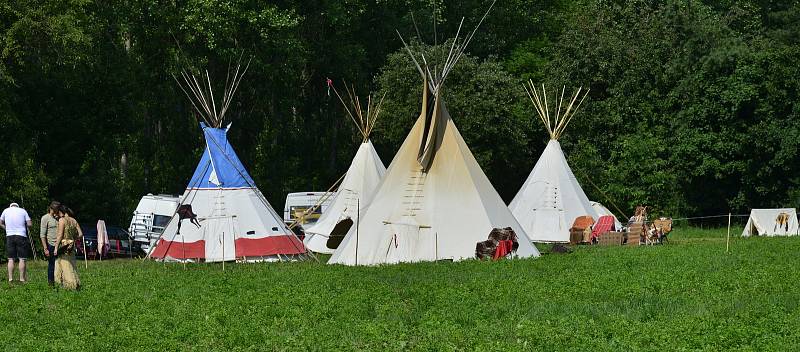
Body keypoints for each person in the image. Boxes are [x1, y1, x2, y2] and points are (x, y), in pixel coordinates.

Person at [0, 202, 33, 283]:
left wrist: (6, 229)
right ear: (17, 206)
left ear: (10, 206)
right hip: (21, 236)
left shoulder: (5, 210)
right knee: (22, 259)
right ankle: (22, 279)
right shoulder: (23, 211)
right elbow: (29, 224)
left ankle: (10, 279)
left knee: (10, 259)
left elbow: (0, 223)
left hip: (10, 236)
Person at [53, 205, 82, 290]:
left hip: (64, 245)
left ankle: (70, 285)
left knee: (66, 265)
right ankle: (75, 283)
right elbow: (80, 234)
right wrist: (73, 239)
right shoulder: (74, 220)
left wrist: (56, 247)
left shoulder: (62, 220)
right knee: (71, 264)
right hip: (71, 245)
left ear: (60, 212)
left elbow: (60, 235)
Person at [40, 201, 61, 286]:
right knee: (52, 265)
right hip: (51, 244)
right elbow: (42, 234)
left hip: (60, 245)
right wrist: (45, 248)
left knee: (60, 264)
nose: (57, 211)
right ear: (51, 209)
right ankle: (51, 283)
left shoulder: (58, 218)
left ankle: (60, 281)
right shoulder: (45, 218)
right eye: (56, 209)